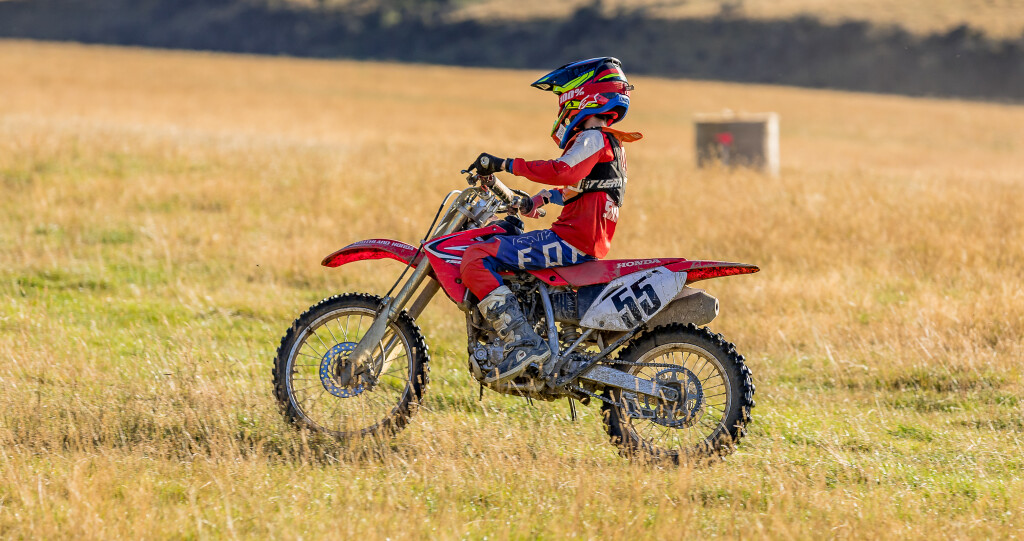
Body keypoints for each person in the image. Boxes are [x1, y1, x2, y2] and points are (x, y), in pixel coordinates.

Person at [462, 57, 643, 384]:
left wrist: (505, 163)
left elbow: (563, 171)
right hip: (585, 242)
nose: (562, 110)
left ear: (581, 98)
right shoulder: (610, 143)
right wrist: (536, 200)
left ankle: (522, 342)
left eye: (563, 100)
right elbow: (580, 187)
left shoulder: (592, 138)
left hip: (570, 241)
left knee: (476, 256)